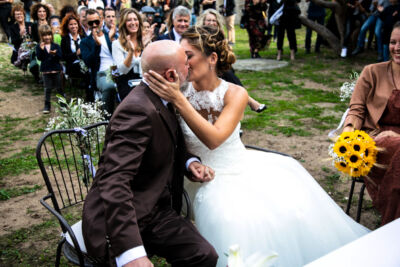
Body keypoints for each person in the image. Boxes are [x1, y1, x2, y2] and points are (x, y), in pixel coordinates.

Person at [144, 26, 370, 267]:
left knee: (266, 214)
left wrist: (179, 101)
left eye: (188, 55)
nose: (183, 62)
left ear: (212, 58)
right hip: (191, 174)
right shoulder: (178, 90)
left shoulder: (236, 93)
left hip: (233, 169)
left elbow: (214, 138)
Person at [82, 39, 218, 267]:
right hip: (125, 218)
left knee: (204, 255)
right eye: (186, 62)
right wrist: (131, 253)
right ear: (172, 75)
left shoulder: (165, 96)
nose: (190, 67)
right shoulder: (137, 110)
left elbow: (167, 139)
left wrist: (188, 163)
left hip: (156, 210)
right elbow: (114, 181)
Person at [343, 22, 400, 226]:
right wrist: (349, 133)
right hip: (375, 141)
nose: (397, 47)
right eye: (393, 42)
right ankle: (393, 225)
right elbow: (356, 109)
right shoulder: (372, 72)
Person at [197, 9, 266, 113]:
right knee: (227, 75)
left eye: (214, 20)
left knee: (228, 75)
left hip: (219, 68)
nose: (211, 23)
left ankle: (239, 113)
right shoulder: (198, 36)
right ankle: (249, 100)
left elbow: (226, 55)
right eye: (208, 20)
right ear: (203, 22)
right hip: (204, 69)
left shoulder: (220, 35)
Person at [81, 9, 114, 104]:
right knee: (109, 87)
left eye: (96, 22)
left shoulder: (109, 36)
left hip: (115, 70)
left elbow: (117, 56)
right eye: (91, 23)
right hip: (100, 73)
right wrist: (97, 45)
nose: (94, 25)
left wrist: (113, 40)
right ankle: (107, 117)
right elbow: (88, 62)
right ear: (87, 24)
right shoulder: (85, 42)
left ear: (101, 20)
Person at [112, 8, 144, 101]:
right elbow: (122, 70)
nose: (133, 22)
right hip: (126, 83)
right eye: (129, 20)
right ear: (123, 24)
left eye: (135, 19)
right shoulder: (116, 44)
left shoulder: (145, 41)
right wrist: (131, 52)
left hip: (144, 83)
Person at [35, 24, 63, 113]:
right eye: (44, 35)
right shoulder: (39, 46)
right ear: (41, 36)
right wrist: (42, 50)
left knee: (59, 88)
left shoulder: (55, 46)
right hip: (46, 71)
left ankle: (63, 105)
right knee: (47, 89)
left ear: (51, 35)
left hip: (56, 70)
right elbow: (39, 58)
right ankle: (47, 105)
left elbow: (60, 56)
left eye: (48, 35)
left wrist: (55, 54)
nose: (47, 37)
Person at [60, 13, 89, 94]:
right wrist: (76, 54)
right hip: (72, 65)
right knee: (85, 70)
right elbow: (64, 57)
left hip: (85, 63)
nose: (73, 26)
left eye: (75, 24)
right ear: (67, 26)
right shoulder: (65, 39)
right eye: (71, 24)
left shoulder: (83, 36)